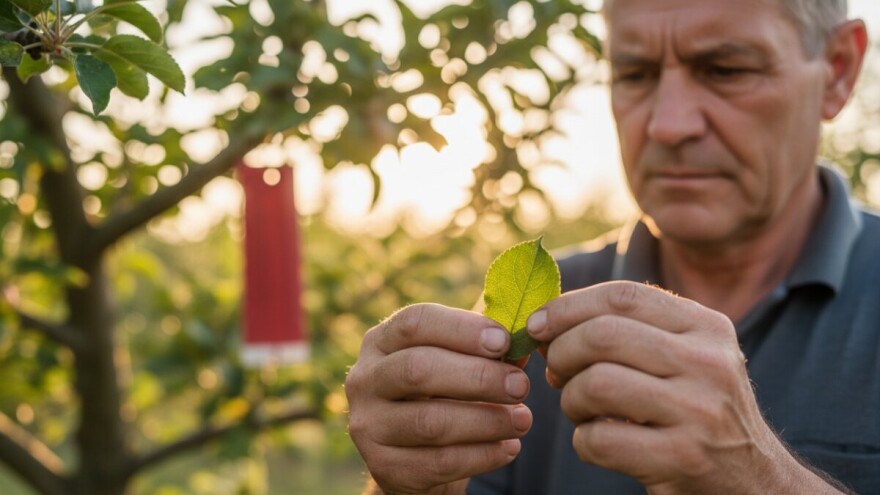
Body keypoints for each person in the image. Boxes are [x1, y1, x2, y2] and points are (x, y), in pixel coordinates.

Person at [344, 0, 878, 493]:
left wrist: (762, 477)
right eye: (635, 74)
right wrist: (411, 480)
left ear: (836, 70)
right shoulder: (534, 320)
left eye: (725, 71)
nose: (668, 124)